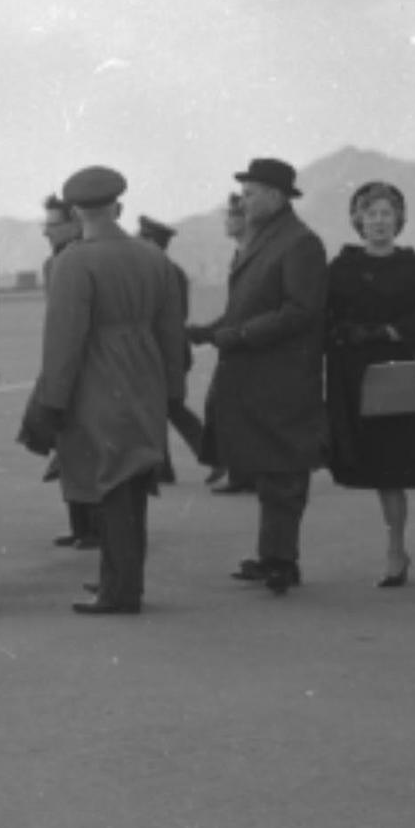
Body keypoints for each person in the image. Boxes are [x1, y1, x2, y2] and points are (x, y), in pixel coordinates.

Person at [18, 168, 188, 615]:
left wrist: (51, 402)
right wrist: (173, 390)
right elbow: (173, 334)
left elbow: (63, 342)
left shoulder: (73, 262)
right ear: (118, 207)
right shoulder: (154, 258)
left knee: (110, 483)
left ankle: (119, 590)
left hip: (98, 379)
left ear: (75, 211)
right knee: (132, 480)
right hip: (146, 376)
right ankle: (122, 581)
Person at [188, 159, 328, 595]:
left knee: (283, 473)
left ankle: (282, 563)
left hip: (283, 378)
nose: (243, 202)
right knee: (271, 473)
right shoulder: (265, 239)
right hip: (260, 375)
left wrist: (237, 336)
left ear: (276, 195)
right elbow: (244, 307)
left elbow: (301, 311)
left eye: (250, 194)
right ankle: (273, 556)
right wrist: (208, 332)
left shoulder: (300, 243)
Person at [323, 182, 415, 587]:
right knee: (388, 471)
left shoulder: (414, 267)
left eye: (387, 213)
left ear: (399, 219)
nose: (379, 221)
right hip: (364, 383)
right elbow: (327, 318)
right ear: (358, 219)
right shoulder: (341, 269)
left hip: (410, 374)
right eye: (372, 213)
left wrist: (389, 331)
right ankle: (396, 551)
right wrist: (351, 333)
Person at [38, 195, 98, 552]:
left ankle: (93, 528)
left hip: (84, 368)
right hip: (60, 364)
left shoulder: (82, 260)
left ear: (75, 224)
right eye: (45, 225)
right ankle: (80, 526)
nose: (46, 232)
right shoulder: (53, 263)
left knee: (85, 448)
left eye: (53, 225)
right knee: (67, 446)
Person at [137, 214, 208, 479]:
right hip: (169, 351)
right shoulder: (169, 270)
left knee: (171, 408)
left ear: (153, 242)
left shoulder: (162, 271)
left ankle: (215, 455)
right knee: (161, 408)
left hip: (165, 352)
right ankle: (162, 468)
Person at [203, 194, 256, 494]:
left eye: (231, 216)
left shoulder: (250, 253)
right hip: (235, 341)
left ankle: (239, 472)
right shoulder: (240, 252)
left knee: (228, 406)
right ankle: (238, 471)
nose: (226, 221)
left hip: (244, 343)